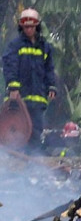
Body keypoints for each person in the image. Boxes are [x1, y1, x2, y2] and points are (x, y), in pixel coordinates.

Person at [2, 8, 57, 153]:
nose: (28, 29)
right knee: (17, 132)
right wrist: (13, 87)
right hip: (20, 98)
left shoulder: (45, 47)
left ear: (37, 26)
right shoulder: (15, 45)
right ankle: (17, 163)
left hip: (38, 98)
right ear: (21, 26)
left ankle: (33, 165)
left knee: (35, 131)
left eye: (31, 26)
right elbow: (9, 66)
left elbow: (49, 69)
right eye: (25, 27)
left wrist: (51, 86)